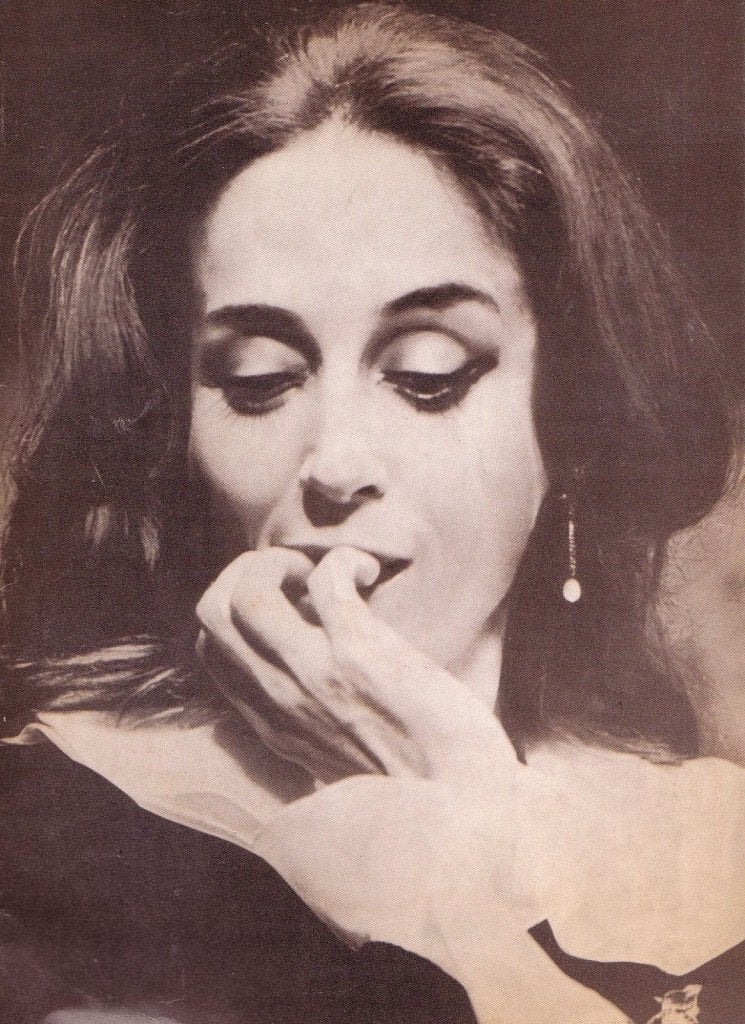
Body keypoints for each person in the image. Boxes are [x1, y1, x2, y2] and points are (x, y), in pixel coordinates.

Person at [0, 4, 742, 1022]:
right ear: (171, 437)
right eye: (258, 380)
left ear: (573, 421)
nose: (335, 462)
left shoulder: (702, 845)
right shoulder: (44, 844)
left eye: (428, 374)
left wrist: (438, 789)